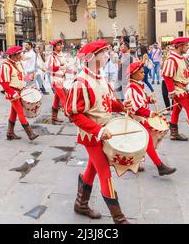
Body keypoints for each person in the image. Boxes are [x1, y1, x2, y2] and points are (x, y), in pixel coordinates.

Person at [65, 39, 132, 224]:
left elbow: (107, 101)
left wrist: (121, 105)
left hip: (105, 131)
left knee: (93, 168)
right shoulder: (80, 82)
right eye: (103, 53)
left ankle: (81, 204)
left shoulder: (100, 76)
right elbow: (73, 114)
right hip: (92, 136)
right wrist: (98, 130)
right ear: (92, 57)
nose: (106, 55)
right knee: (105, 173)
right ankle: (119, 218)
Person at [125, 61, 176, 176]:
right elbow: (136, 108)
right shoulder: (131, 89)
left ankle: (133, 164)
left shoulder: (137, 85)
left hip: (141, 119)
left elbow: (141, 98)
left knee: (139, 143)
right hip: (137, 120)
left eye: (144, 72)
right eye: (141, 72)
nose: (144, 74)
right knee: (146, 141)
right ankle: (159, 166)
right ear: (133, 74)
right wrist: (150, 113)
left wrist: (149, 99)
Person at [0, 46, 39, 141]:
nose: (21, 55)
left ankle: (10, 133)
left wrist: (30, 77)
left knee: (14, 112)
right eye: (19, 54)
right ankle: (30, 133)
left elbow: (22, 76)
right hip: (12, 92)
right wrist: (12, 93)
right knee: (20, 112)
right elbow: (3, 83)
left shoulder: (19, 63)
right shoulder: (5, 65)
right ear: (13, 55)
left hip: (20, 91)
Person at [46, 39, 67, 125]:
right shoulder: (52, 56)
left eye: (61, 45)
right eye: (58, 45)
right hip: (55, 79)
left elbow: (65, 65)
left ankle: (54, 117)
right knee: (64, 98)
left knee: (57, 99)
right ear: (54, 47)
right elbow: (49, 68)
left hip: (62, 78)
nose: (60, 46)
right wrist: (59, 67)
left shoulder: (62, 55)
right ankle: (71, 115)